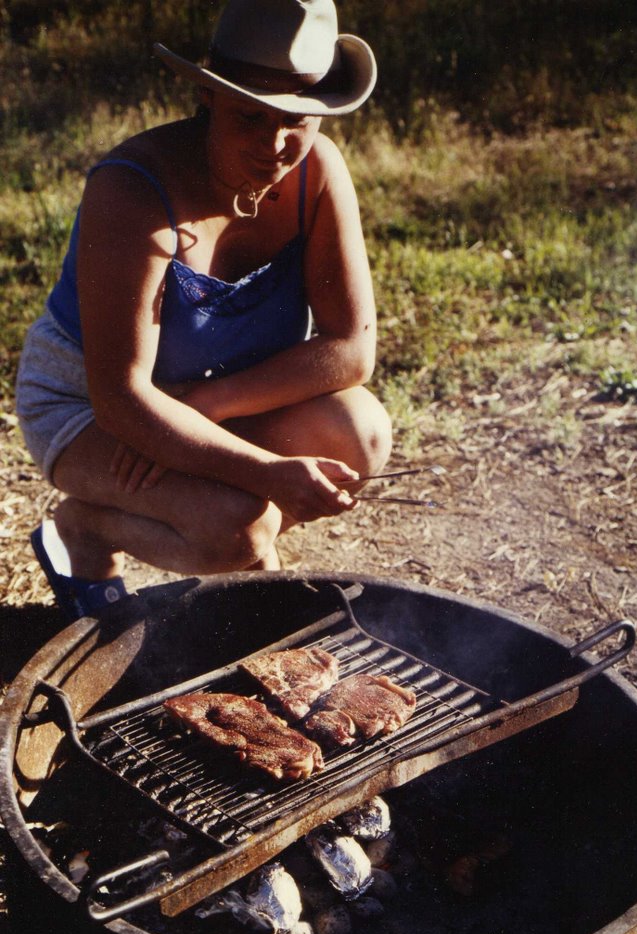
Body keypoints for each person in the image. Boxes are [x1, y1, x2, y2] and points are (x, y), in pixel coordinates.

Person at [16, 0, 392, 621]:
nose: (275, 145)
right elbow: (122, 399)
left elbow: (352, 349)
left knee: (361, 431)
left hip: (211, 394)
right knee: (235, 530)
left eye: (297, 120)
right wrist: (268, 471)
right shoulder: (132, 187)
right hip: (94, 405)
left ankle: (246, 545)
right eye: (250, 115)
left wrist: (204, 409)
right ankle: (87, 529)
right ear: (209, 96)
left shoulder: (318, 172)